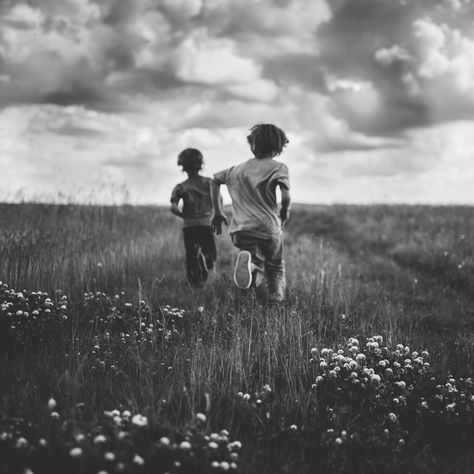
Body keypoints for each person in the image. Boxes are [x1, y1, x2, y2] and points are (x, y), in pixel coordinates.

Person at [210, 123, 291, 303]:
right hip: (269, 227)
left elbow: (214, 180)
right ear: (278, 146)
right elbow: (285, 198)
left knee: (253, 260)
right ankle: (275, 301)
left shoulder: (236, 170)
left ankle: (253, 267)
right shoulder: (279, 168)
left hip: (241, 229)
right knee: (275, 267)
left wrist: (218, 212)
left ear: (252, 144)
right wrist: (284, 213)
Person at [170, 148, 217, 286]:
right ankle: (206, 260)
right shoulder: (209, 183)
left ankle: (194, 283)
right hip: (206, 224)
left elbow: (173, 207)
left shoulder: (180, 187)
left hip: (189, 226)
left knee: (191, 255)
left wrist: (183, 215)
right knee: (211, 253)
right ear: (200, 164)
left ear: (183, 166)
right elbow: (218, 200)